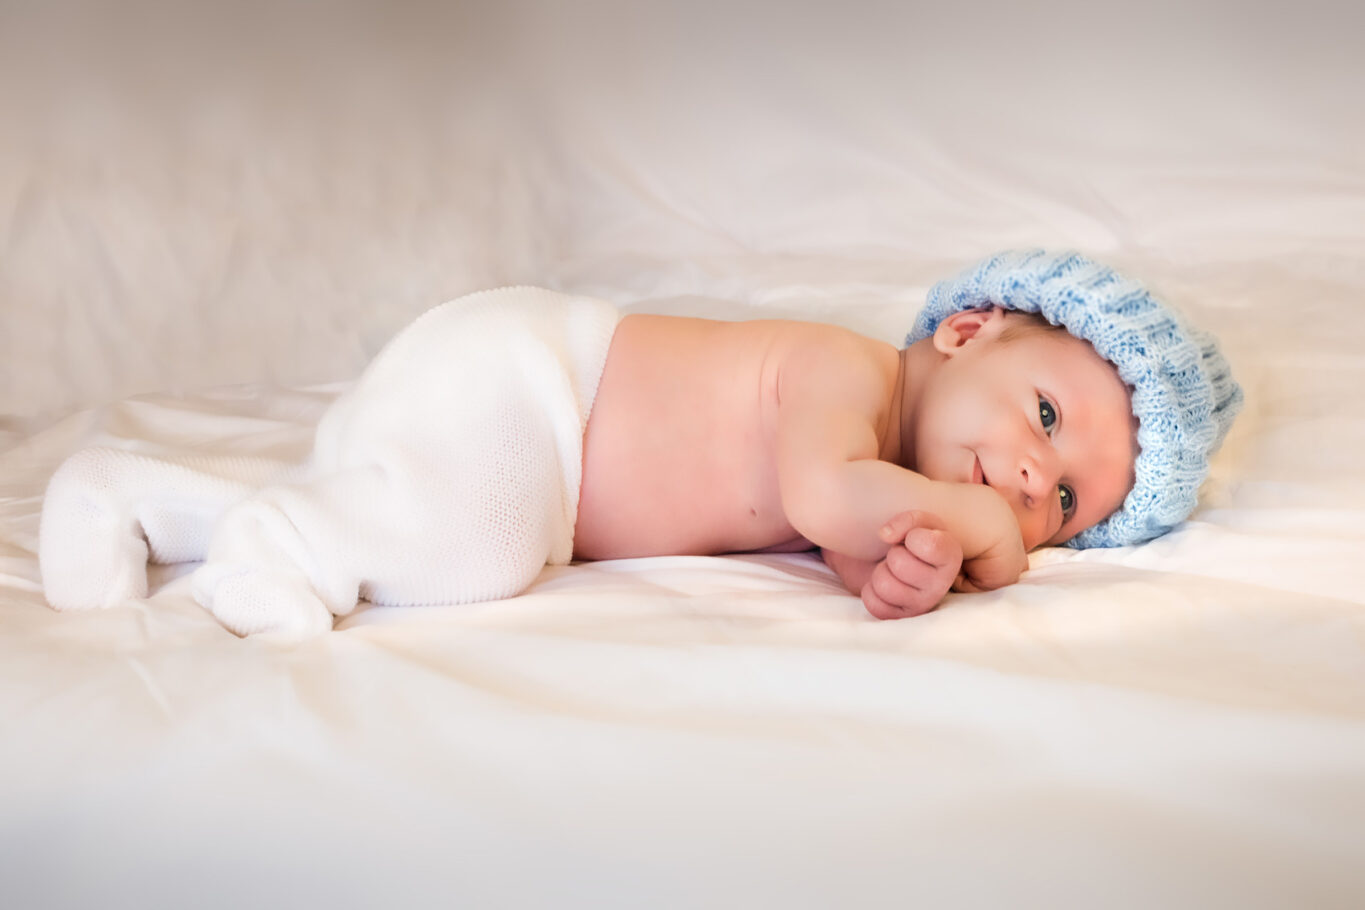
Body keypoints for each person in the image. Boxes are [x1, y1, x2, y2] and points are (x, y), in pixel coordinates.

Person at [38, 250, 1242, 637]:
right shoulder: (843, 373)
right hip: (532, 390)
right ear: (966, 331)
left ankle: (134, 501)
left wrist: (912, 566)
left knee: (401, 502)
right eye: (1045, 419)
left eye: (1072, 500)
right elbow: (825, 495)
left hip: (513, 411)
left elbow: (852, 545)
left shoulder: (884, 462)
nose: (1038, 476)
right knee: (472, 549)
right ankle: (281, 546)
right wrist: (991, 536)